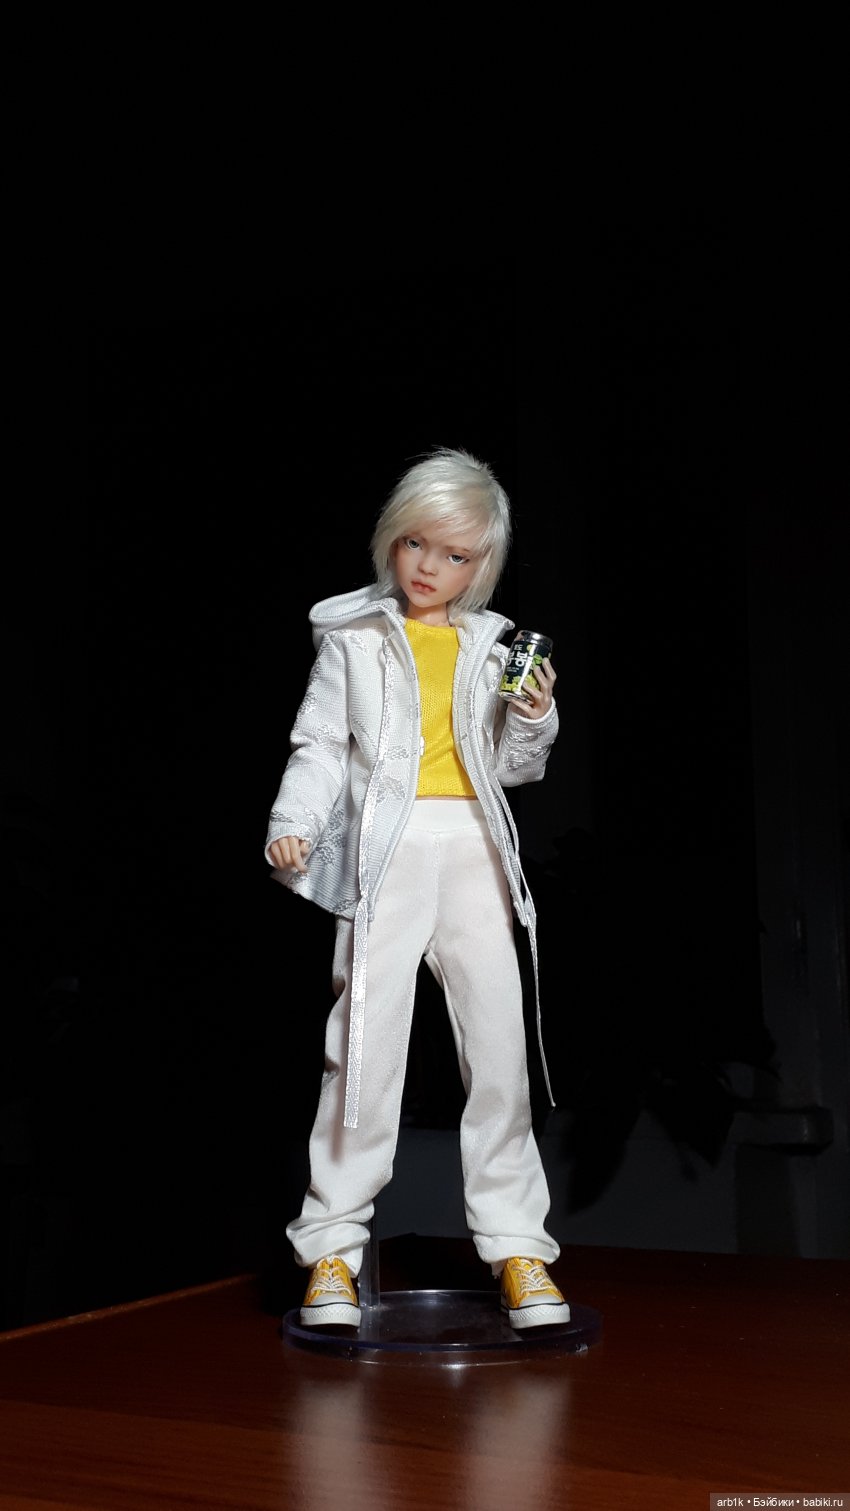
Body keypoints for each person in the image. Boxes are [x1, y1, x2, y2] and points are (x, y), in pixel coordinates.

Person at [265, 447, 569, 1330]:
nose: (430, 566)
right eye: (415, 543)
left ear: (483, 564)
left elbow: (511, 768)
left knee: (499, 1049)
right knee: (361, 1050)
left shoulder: (488, 644)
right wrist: (295, 817)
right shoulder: (353, 640)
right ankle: (332, 1247)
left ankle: (518, 1247)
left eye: (455, 554)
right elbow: (320, 745)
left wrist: (534, 715)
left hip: (472, 846)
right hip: (387, 851)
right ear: (391, 540)